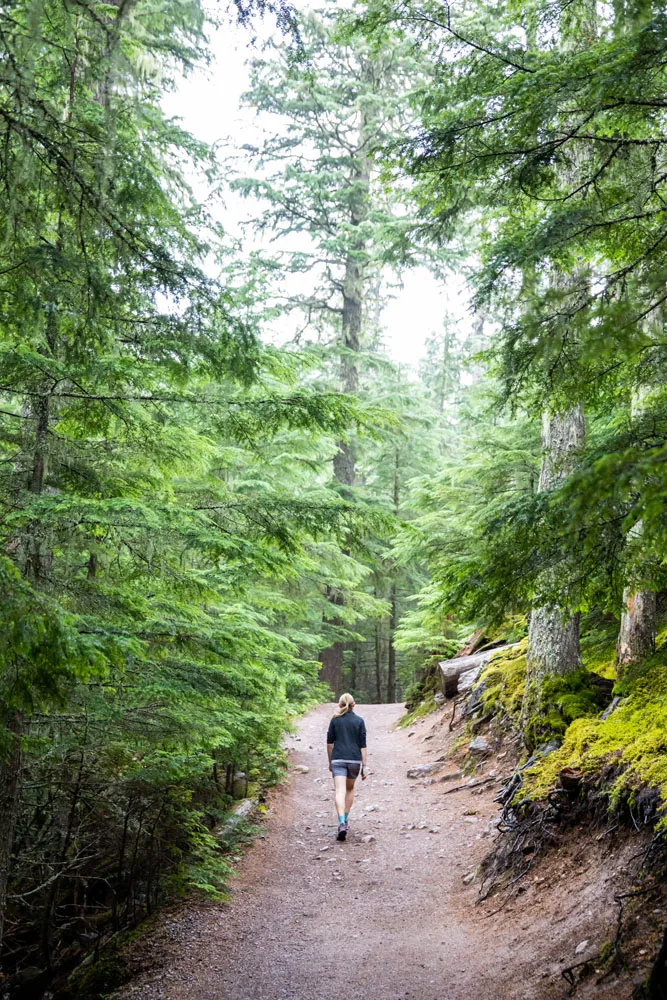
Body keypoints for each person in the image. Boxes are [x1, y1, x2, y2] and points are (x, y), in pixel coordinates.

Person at [326, 693, 367, 841]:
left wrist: (330, 762)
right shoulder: (359, 721)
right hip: (354, 761)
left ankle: (341, 822)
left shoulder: (335, 720)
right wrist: (364, 766)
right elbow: (363, 745)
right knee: (349, 789)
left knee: (339, 791)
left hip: (338, 759)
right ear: (354, 705)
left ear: (339, 705)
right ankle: (346, 819)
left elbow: (330, 744)